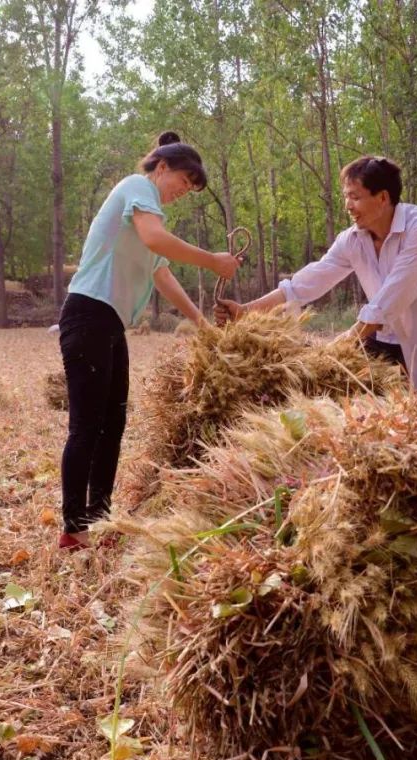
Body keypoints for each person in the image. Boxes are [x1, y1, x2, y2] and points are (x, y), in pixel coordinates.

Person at [57, 131, 239, 551]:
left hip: (109, 322)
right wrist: (213, 261)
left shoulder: (147, 215)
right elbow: (159, 242)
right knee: (86, 426)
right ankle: (73, 527)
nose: (183, 192)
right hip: (87, 313)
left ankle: (99, 521)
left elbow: (161, 272)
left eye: (191, 190)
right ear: (161, 168)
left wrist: (199, 322)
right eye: (183, 182)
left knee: (112, 424)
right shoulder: (137, 188)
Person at [215, 156, 417, 391]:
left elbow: (389, 301)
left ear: (383, 198)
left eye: (355, 197)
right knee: (339, 392)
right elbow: (307, 282)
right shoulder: (353, 239)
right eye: (345, 196)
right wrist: (246, 311)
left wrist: (339, 344)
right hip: (385, 334)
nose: (347, 206)